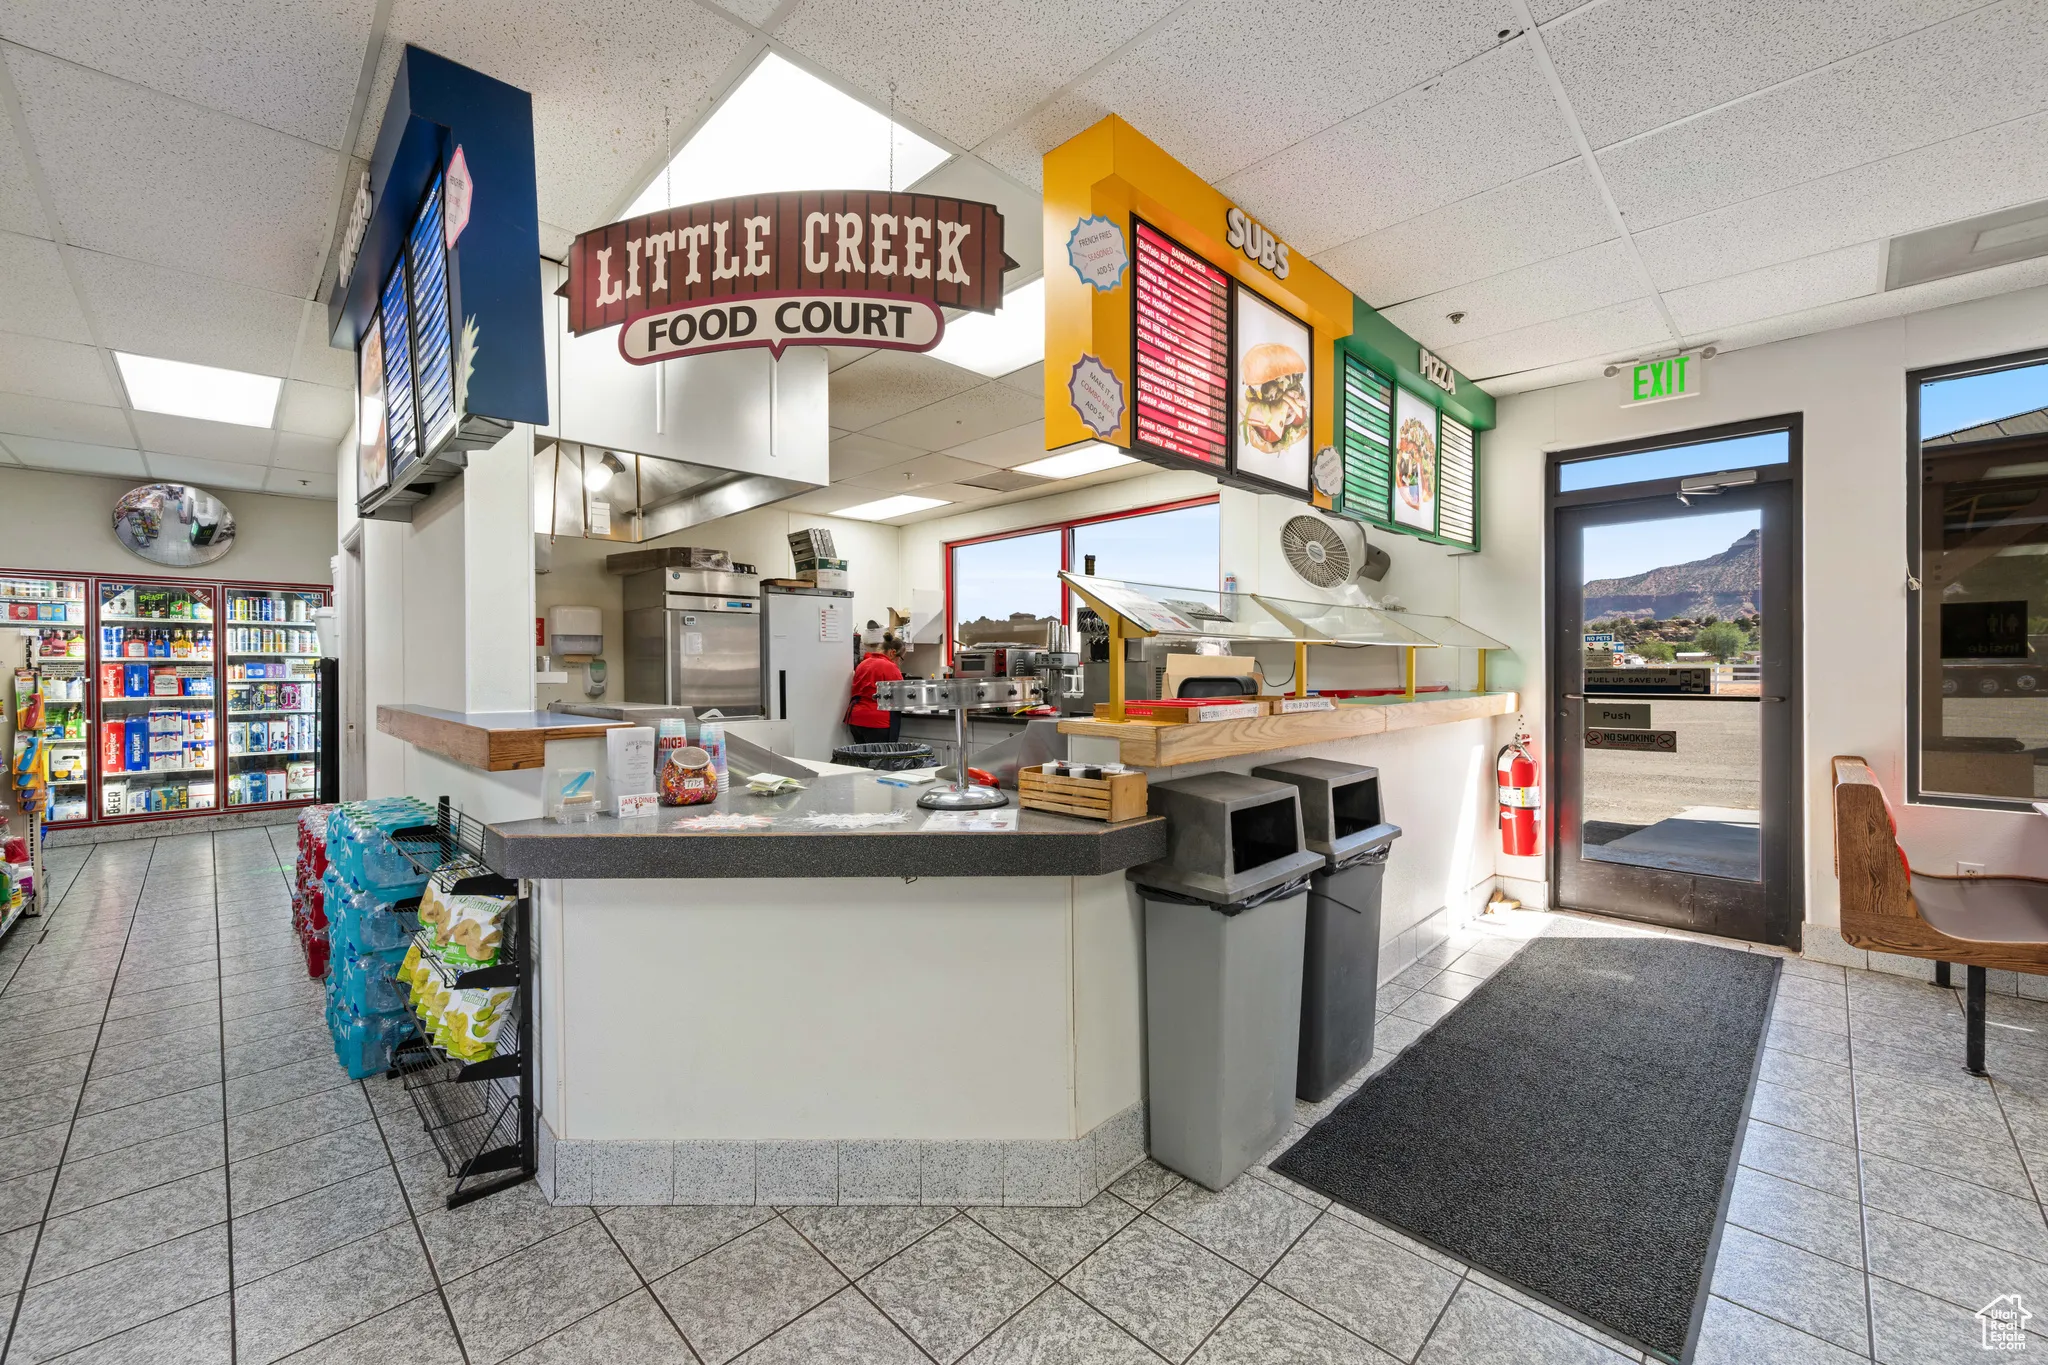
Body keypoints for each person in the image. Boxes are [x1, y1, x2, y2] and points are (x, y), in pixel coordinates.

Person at [846, 630, 904, 744]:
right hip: (878, 722)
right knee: (881, 760)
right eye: (900, 658)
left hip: (856, 719)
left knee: (862, 759)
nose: (899, 662)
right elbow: (900, 695)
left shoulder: (863, 664)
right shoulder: (890, 667)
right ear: (892, 653)